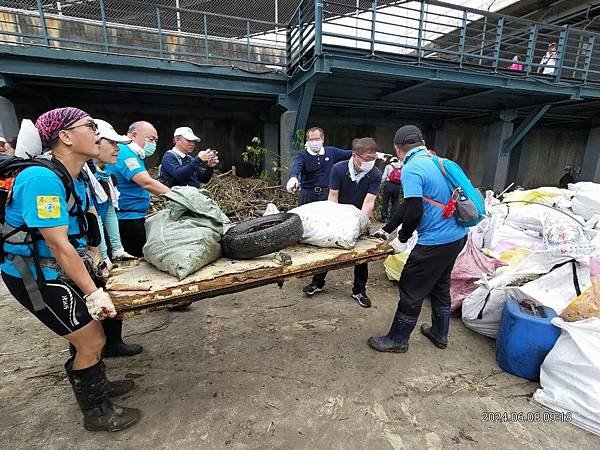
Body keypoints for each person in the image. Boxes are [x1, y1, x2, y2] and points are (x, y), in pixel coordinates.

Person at [0, 107, 140, 431]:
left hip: (58, 268)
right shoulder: (42, 179)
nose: (97, 133)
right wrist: (92, 292)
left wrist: (96, 258)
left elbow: (86, 222)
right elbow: (58, 246)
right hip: (34, 276)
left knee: (92, 333)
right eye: (90, 126)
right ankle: (96, 411)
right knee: (90, 340)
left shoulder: (74, 176)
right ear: (64, 136)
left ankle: (96, 384)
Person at [368, 125, 467, 353]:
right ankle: (440, 334)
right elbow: (409, 205)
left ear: (397, 148)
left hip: (435, 242)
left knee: (412, 287)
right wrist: (387, 228)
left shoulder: (412, 169)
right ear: (421, 142)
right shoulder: (436, 161)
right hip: (457, 237)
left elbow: (414, 211)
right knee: (441, 285)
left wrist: (402, 238)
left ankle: (398, 340)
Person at [84, 119, 142, 358]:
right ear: (96, 143)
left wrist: (116, 250)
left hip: (101, 247)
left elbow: (108, 212)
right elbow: (91, 218)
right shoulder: (81, 176)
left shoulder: (102, 174)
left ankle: (113, 343)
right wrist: (102, 256)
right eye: (113, 144)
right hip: (85, 251)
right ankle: (94, 358)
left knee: (109, 294)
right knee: (89, 312)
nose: (118, 149)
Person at [302, 137, 382, 308]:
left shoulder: (375, 174)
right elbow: (333, 196)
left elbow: (369, 202)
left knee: (362, 255)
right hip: (338, 213)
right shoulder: (338, 169)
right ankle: (317, 282)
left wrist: (361, 224)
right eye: (367, 159)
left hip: (360, 216)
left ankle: (359, 290)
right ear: (355, 156)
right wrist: (334, 222)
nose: (371, 162)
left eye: (373, 159)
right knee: (328, 249)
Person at [105, 121, 169, 258]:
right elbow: (146, 182)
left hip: (133, 216)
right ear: (134, 135)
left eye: (156, 141)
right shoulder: (125, 153)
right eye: (151, 139)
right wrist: (176, 195)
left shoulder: (133, 154)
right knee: (137, 263)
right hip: (127, 220)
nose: (154, 144)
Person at [286, 127, 352, 205]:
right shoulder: (302, 155)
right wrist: (293, 178)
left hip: (326, 194)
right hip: (307, 195)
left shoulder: (331, 152)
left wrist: (362, 152)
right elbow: (296, 166)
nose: (314, 142)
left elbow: (348, 154)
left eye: (317, 139)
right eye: (311, 140)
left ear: (322, 139)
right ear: (307, 140)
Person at [380, 156, 403, 222]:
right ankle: (393, 217)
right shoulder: (401, 167)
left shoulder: (388, 166)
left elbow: (384, 177)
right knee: (395, 202)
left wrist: (381, 184)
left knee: (385, 200)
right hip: (397, 186)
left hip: (388, 185)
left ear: (391, 161)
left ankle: (384, 217)